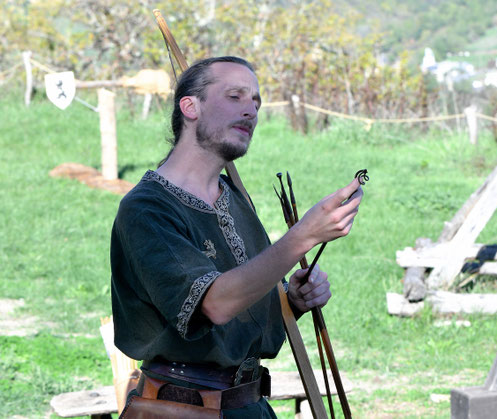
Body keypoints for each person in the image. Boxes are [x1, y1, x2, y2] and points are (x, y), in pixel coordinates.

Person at [111, 56, 363, 418]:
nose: (251, 111)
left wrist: (292, 300)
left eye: (256, 102)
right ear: (190, 106)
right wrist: (301, 237)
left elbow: (241, 308)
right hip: (181, 409)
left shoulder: (233, 198)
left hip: (249, 405)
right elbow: (214, 304)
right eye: (235, 96)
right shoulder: (147, 208)